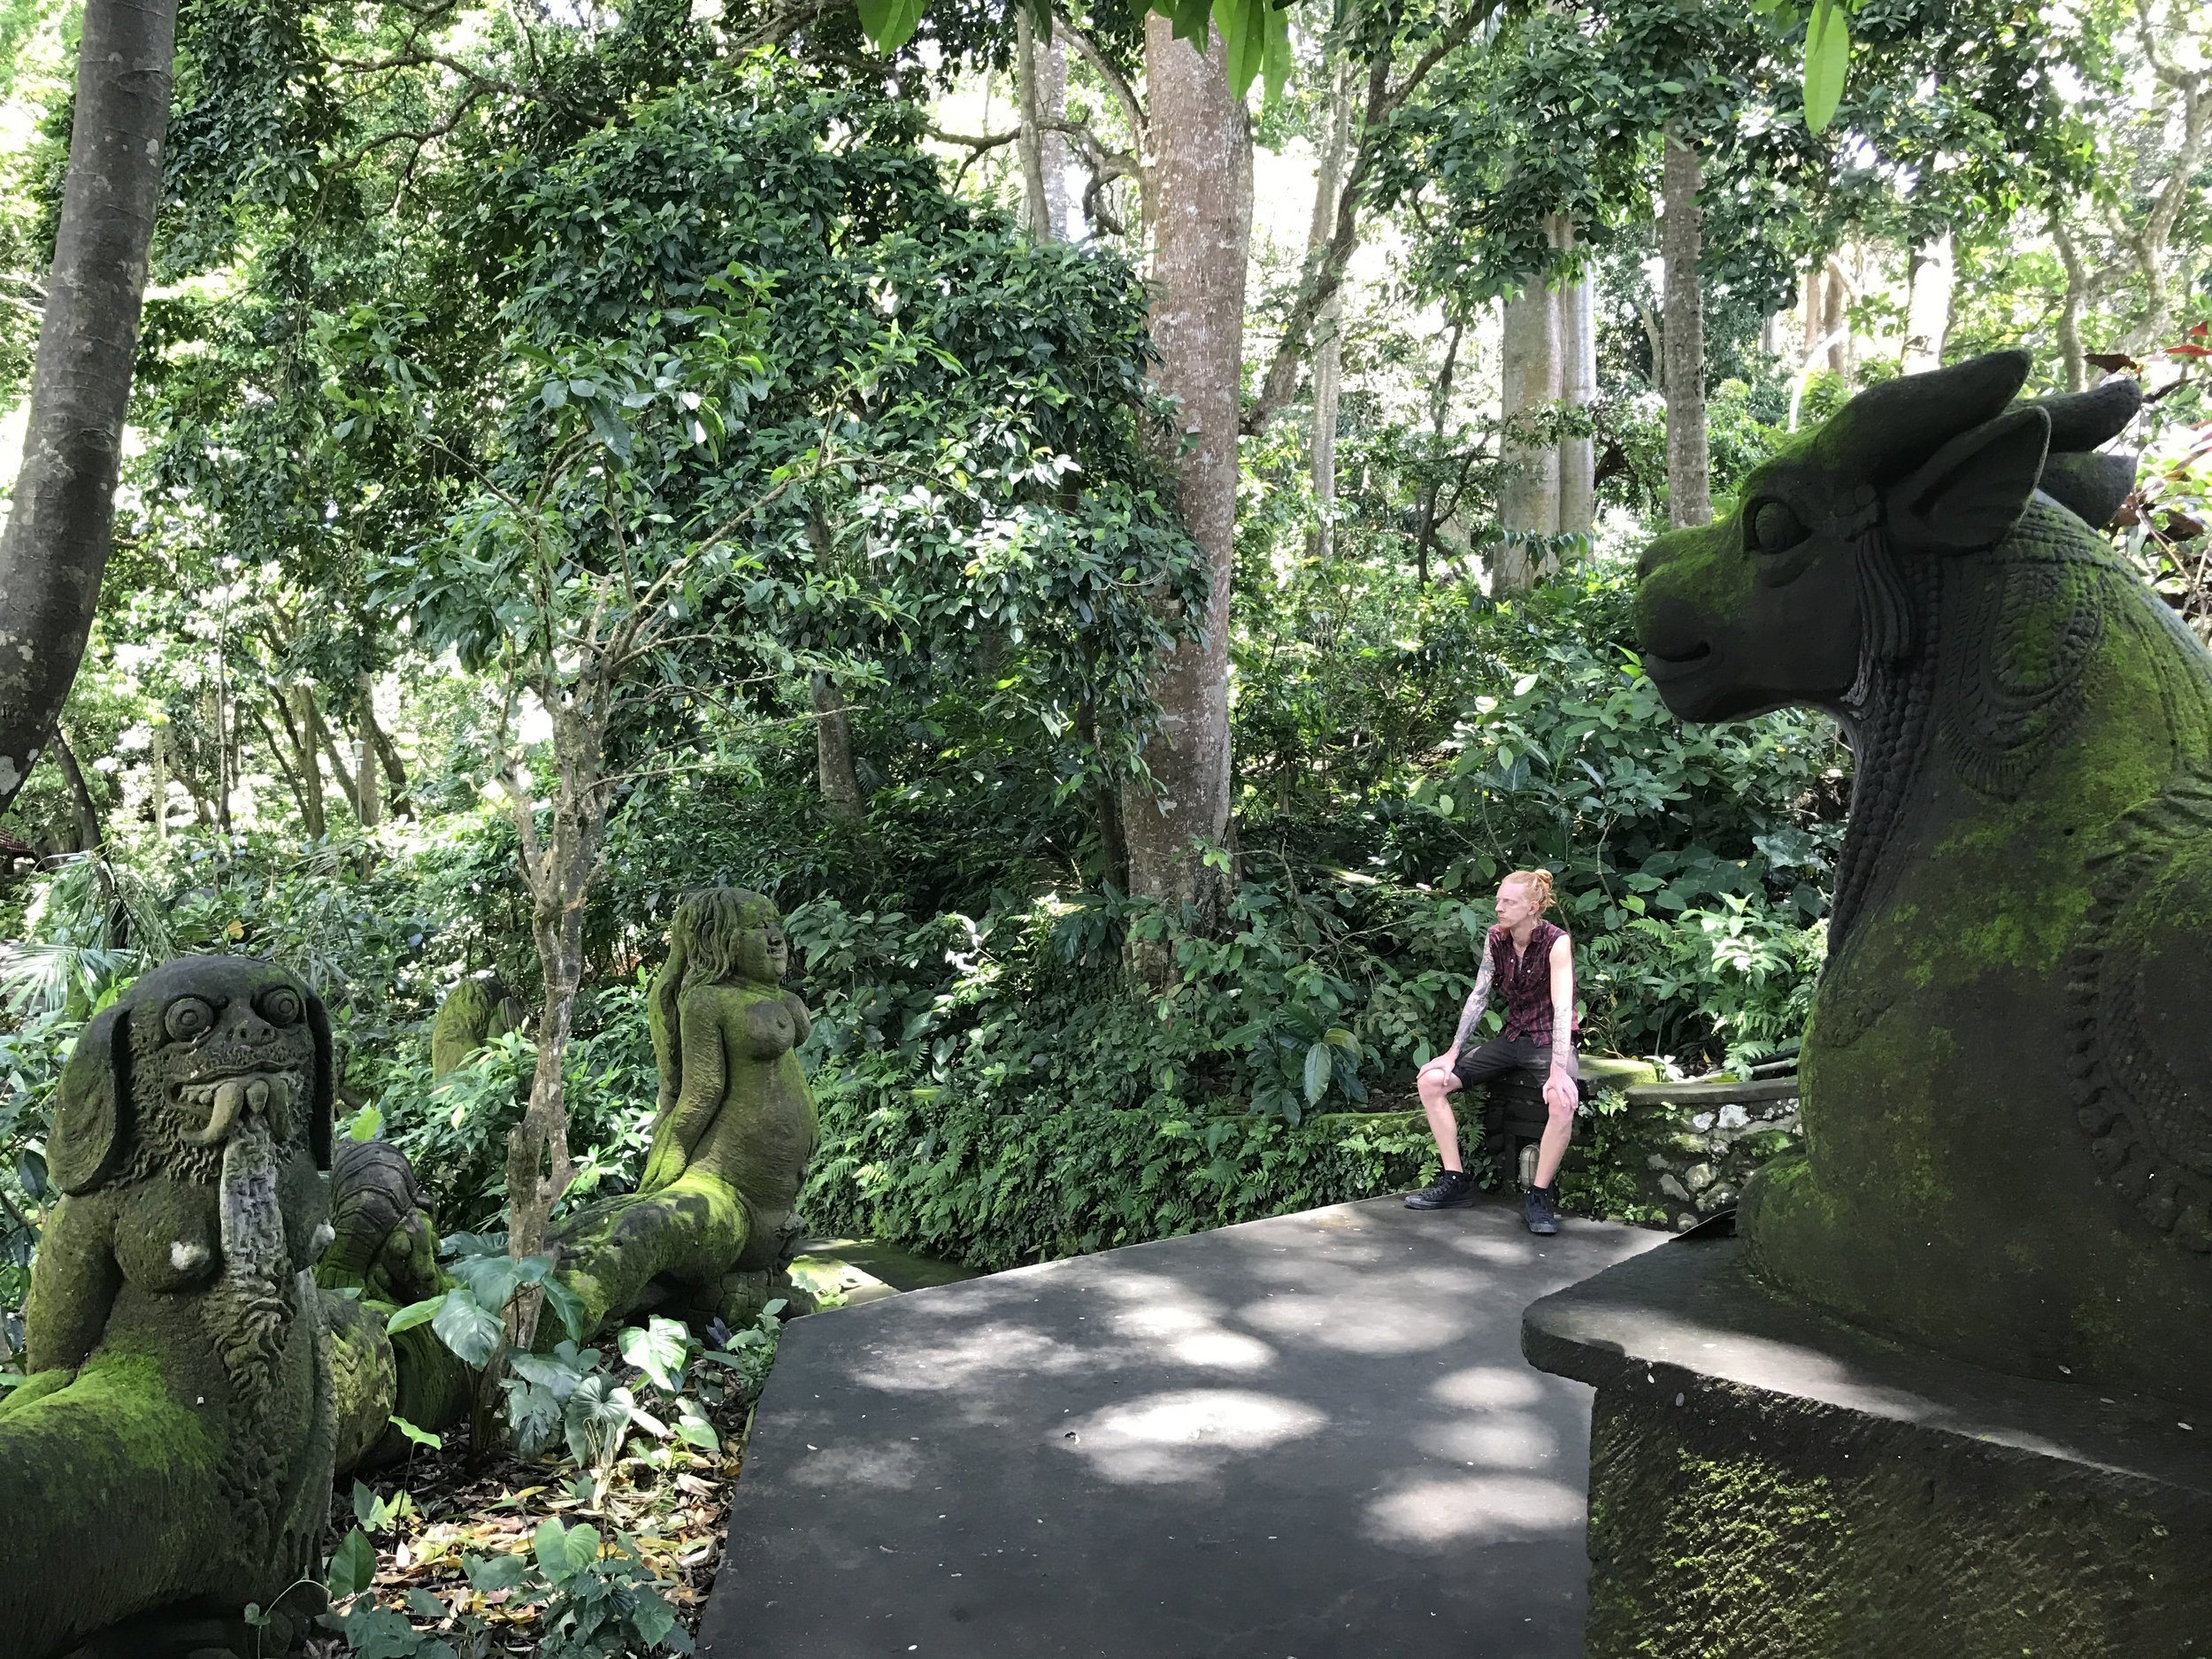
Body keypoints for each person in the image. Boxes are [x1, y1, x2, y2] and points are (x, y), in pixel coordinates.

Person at [1404, 867, 1579, 1233]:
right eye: (1498, 899)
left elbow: (1563, 1007)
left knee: (1563, 1102)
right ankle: (1455, 1181)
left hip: (1549, 1039)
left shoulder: (1556, 941)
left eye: (1508, 902)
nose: (1498, 907)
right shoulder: (1496, 939)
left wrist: (1559, 1069)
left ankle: (1538, 1195)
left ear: (1533, 907)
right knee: (1433, 1081)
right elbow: (1480, 995)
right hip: (1513, 1037)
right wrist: (1453, 1052)